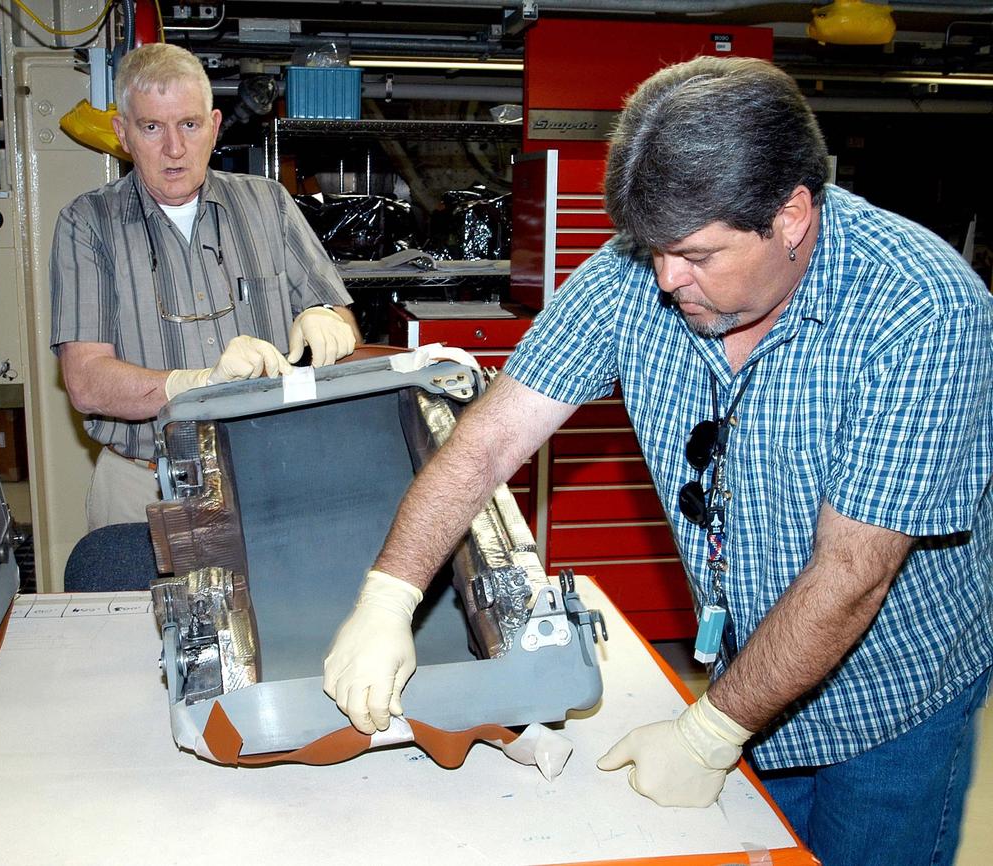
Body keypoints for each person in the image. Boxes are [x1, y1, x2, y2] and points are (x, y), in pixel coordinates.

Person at [321, 55, 991, 866]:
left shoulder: (924, 310)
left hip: (892, 698)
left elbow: (852, 574)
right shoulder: (634, 275)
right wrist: (389, 593)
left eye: (699, 255)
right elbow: (486, 443)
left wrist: (711, 732)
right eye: (653, 248)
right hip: (758, 660)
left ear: (792, 216)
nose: (668, 280)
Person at [50, 43, 358, 532]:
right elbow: (86, 382)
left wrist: (325, 320)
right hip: (142, 487)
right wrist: (195, 385)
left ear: (214, 126)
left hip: (268, 475)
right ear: (123, 133)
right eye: (152, 127)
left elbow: (340, 319)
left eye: (189, 125)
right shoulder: (88, 224)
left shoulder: (269, 205)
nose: (175, 148)